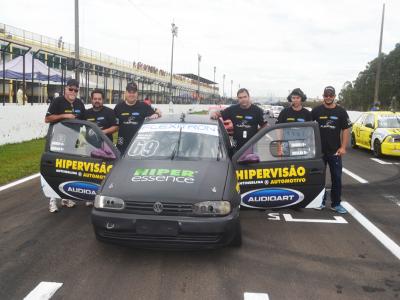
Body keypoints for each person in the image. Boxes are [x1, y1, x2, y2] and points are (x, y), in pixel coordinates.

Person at [45, 78, 85, 213]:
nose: (73, 92)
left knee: (70, 170)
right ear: (65, 89)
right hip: (58, 141)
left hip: (73, 143)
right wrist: (64, 115)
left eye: (76, 90)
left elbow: (84, 123)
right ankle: (52, 200)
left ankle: (66, 198)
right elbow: (47, 119)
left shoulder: (80, 103)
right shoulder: (57, 101)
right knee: (56, 170)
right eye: (70, 89)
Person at [312, 86, 351, 214]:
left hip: (335, 151)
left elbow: (346, 129)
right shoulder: (316, 111)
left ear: (334, 96)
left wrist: (343, 147)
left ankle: (336, 204)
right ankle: (319, 202)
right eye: (326, 95)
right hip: (319, 152)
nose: (328, 97)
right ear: (323, 96)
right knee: (319, 178)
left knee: (337, 178)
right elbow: (308, 128)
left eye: (330, 95)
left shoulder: (341, 111)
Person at [114, 82, 160, 154]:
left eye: (134, 92)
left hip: (138, 145)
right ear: (125, 93)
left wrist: (157, 114)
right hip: (122, 144)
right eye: (129, 92)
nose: (131, 94)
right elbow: (114, 125)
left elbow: (158, 111)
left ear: (137, 93)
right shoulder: (118, 107)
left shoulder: (143, 106)